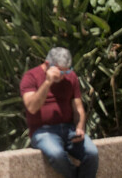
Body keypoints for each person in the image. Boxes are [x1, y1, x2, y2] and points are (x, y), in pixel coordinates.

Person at [20, 47, 99, 178]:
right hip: (43, 131)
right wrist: (47, 82)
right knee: (56, 154)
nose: (63, 75)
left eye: (66, 71)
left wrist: (80, 128)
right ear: (47, 64)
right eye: (60, 71)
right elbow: (32, 107)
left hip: (69, 129)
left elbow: (78, 108)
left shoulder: (71, 77)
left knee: (92, 153)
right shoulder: (31, 77)